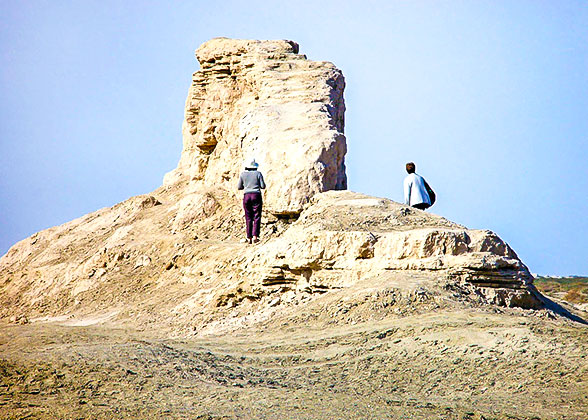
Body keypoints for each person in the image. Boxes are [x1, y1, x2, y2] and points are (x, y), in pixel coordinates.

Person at [237, 159, 266, 244]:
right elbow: (263, 186)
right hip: (256, 195)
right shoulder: (258, 174)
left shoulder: (243, 174)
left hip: (247, 196)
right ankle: (255, 236)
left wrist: (246, 186)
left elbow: (239, 187)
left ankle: (249, 237)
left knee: (248, 217)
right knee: (257, 215)